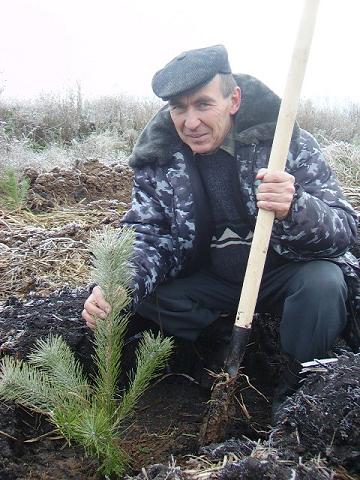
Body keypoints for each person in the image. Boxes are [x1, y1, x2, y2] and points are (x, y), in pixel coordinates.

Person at [82, 45, 360, 406]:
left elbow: (344, 233)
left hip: (281, 276)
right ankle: (219, 345)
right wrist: (121, 283)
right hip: (213, 283)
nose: (190, 122)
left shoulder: (283, 142)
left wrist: (296, 208)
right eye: (178, 108)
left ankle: (296, 390)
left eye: (203, 104)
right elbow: (147, 235)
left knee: (324, 281)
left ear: (234, 100)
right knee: (141, 296)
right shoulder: (158, 160)